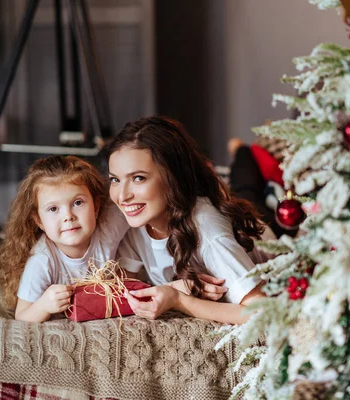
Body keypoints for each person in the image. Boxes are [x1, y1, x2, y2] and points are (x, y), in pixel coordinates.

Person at [107, 116, 268, 325]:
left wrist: (179, 301)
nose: (122, 196)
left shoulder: (209, 233)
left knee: (252, 189)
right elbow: (118, 290)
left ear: (173, 178)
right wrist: (177, 287)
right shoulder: (133, 221)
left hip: (269, 236)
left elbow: (261, 313)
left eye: (138, 178)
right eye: (115, 180)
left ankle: (241, 151)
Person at [0, 155, 131, 322]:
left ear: (95, 207)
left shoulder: (108, 228)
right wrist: (43, 306)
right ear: (39, 221)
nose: (68, 216)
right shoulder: (41, 261)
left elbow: (135, 205)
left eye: (78, 203)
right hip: (19, 257)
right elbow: (22, 315)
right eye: (53, 209)